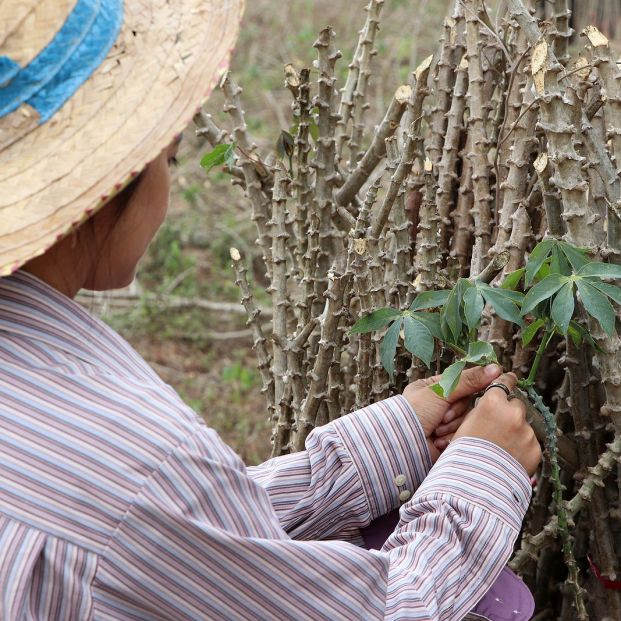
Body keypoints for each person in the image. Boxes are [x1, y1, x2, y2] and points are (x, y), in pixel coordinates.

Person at [0, 2, 541, 620]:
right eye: (169, 159)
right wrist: (484, 476)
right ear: (101, 187)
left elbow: (176, 536)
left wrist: (386, 440)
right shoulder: (141, 457)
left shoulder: (94, 446)